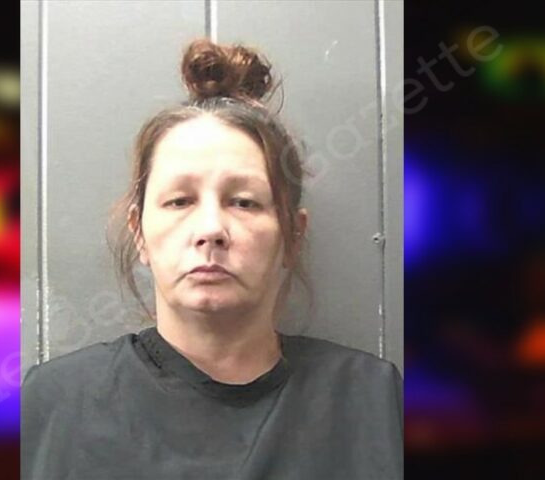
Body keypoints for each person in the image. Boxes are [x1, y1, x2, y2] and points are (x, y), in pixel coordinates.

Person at [22, 38, 403, 480]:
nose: (210, 229)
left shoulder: (374, 402)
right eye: (180, 201)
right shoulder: (52, 406)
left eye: (243, 202)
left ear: (292, 234)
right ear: (139, 232)